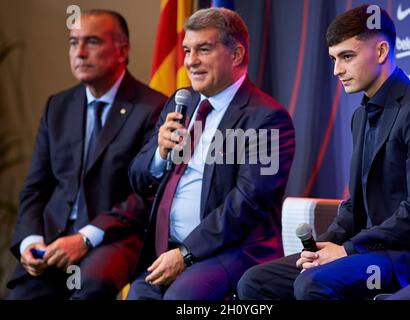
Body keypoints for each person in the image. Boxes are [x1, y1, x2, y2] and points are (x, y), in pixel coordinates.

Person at [238, 5, 410, 300]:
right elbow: (354, 205)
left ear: (381, 51)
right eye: (333, 59)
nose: (337, 70)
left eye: (347, 57)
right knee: (254, 281)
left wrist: (348, 249)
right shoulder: (360, 115)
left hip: (409, 254)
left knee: (311, 284)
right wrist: (324, 246)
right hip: (369, 247)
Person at [126, 7, 295, 300]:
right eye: (187, 50)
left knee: (181, 301)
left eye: (203, 49)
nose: (191, 61)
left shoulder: (266, 118)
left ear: (237, 54)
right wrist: (159, 154)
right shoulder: (181, 103)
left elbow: (247, 203)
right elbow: (138, 179)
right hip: (166, 249)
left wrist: (186, 254)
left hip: (233, 251)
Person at [7, 9, 167, 299]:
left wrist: (86, 237)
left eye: (92, 42)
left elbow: (147, 193)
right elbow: (35, 187)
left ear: (122, 50)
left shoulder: (154, 108)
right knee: (21, 295)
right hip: (53, 239)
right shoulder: (57, 106)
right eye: (73, 42)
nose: (79, 53)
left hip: (114, 237)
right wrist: (29, 240)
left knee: (88, 286)